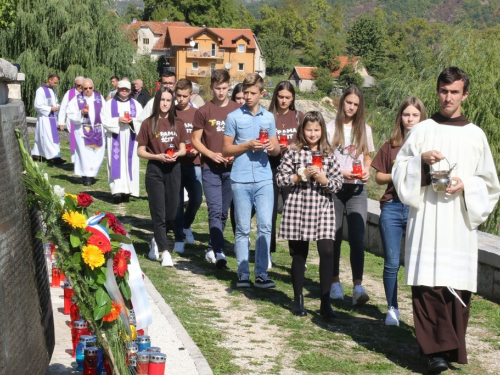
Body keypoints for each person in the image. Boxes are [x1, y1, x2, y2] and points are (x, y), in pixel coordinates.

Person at [392, 67, 500, 373]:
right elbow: (400, 171)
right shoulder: (422, 130)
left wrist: (466, 184)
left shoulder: (475, 135)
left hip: (458, 219)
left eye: (454, 92)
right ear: (437, 91)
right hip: (427, 216)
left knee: (456, 283)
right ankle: (434, 353)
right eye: (443, 91)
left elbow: (490, 184)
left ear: (465, 94)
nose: (447, 97)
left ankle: (451, 347)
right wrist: (420, 164)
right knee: (427, 283)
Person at [277, 111, 343, 316]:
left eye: (316, 130)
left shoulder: (329, 153)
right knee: (299, 253)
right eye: (308, 129)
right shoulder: (292, 152)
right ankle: (298, 299)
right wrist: (298, 176)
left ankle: (325, 302)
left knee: (327, 251)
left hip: (322, 206)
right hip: (299, 205)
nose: (312, 134)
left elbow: (338, 183)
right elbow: (280, 179)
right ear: (302, 130)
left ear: (322, 130)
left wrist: (324, 180)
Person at [371, 97, 427, 326]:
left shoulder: (427, 145)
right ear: (400, 117)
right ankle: (392, 308)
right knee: (392, 262)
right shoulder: (391, 145)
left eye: (415, 115)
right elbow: (378, 177)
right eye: (406, 115)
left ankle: (421, 313)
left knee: (419, 263)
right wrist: (400, 171)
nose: (410, 119)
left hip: (418, 206)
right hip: (392, 206)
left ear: (422, 117)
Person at [222, 73, 280, 288]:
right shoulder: (234, 117)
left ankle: (262, 273)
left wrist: (272, 148)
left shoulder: (269, 118)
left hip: (265, 178)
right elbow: (226, 148)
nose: (247, 96)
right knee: (243, 228)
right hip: (241, 178)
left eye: (252, 93)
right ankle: (243, 273)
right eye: (245, 92)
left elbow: (276, 149)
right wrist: (247, 145)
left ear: (262, 94)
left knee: (265, 226)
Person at [326, 86, 374, 305]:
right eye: (348, 102)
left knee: (357, 237)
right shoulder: (329, 128)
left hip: (356, 189)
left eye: (356, 104)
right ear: (341, 102)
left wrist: (366, 171)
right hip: (335, 187)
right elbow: (324, 159)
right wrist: (339, 172)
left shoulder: (364, 129)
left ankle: (357, 285)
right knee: (334, 236)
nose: (352, 107)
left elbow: (367, 156)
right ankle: (334, 282)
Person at [191, 69, 239, 267]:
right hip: (210, 167)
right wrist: (210, 154)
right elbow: (195, 140)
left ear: (229, 86)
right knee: (214, 209)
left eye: (225, 88)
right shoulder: (204, 111)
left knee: (224, 211)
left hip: (232, 168)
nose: (221, 92)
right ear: (211, 87)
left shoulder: (238, 110)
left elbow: (244, 138)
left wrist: (234, 154)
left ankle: (212, 246)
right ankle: (219, 252)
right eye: (217, 88)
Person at [137, 87, 187, 267]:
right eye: (162, 100)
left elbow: (183, 147)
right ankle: (165, 252)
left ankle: (156, 240)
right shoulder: (148, 123)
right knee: (158, 211)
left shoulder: (178, 123)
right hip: (155, 170)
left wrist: (178, 155)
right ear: (157, 101)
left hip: (174, 169)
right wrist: (157, 156)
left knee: (172, 212)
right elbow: (140, 151)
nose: (165, 103)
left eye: (168, 100)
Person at [268, 81, 304, 256]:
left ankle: (296, 253)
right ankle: (267, 251)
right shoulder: (267, 116)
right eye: (280, 97)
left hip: (292, 169)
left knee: (293, 212)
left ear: (293, 98)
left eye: (287, 97)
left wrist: (293, 146)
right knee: (270, 211)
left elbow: (308, 140)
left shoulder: (299, 116)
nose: (283, 101)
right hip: (271, 166)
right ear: (275, 96)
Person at [172, 79, 203, 254]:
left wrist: (197, 151)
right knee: (176, 202)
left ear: (191, 95)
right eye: (178, 96)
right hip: (175, 163)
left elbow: (203, 137)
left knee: (197, 198)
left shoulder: (197, 113)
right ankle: (178, 237)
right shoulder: (171, 112)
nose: (181, 99)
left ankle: (186, 225)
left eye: (184, 96)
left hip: (194, 163)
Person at [101, 80, 143, 203]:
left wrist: (132, 121)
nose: (124, 91)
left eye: (126, 89)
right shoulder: (109, 104)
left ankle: (128, 191)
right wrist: (117, 120)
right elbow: (104, 119)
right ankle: (117, 191)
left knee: (130, 163)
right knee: (116, 163)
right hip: (115, 136)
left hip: (131, 137)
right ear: (117, 89)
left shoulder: (136, 104)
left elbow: (142, 121)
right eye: (122, 89)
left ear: (130, 91)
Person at [66, 78, 106, 186]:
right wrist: (81, 113)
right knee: (85, 154)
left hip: (98, 130)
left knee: (97, 154)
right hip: (83, 131)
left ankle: (92, 174)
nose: (88, 90)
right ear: (81, 89)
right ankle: (86, 176)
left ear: (93, 88)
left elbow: (105, 112)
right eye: (85, 88)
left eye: (90, 88)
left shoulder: (99, 98)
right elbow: (70, 112)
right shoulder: (76, 99)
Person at [31, 73, 66, 164]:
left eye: (57, 83)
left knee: (50, 137)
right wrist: (50, 108)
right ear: (49, 79)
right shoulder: (41, 90)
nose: (56, 84)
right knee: (47, 137)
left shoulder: (52, 90)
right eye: (54, 82)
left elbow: (55, 102)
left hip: (51, 117)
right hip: (44, 118)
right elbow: (37, 105)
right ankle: (54, 157)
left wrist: (58, 107)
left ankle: (38, 154)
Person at [58, 76, 84, 162]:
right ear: (75, 84)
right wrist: (61, 122)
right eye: (78, 85)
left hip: (84, 122)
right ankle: (75, 161)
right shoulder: (69, 93)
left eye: (82, 85)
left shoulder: (87, 93)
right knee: (75, 141)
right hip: (73, 121)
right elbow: (63, 108)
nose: (80, 87)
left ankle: (83, 160)